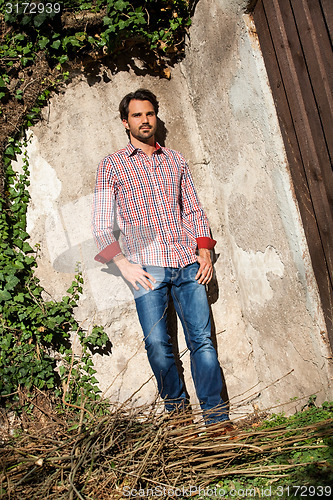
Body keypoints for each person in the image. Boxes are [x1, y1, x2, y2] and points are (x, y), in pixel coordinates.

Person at [92, 88, 230, 426]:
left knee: (203, 343)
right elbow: (99, 223)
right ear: (125, 122)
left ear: (156, 117)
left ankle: (217, 420)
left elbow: (194, 210)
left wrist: (204, 252)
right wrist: (123, 264)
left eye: (149, 114)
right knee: (157, 344)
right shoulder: (111, 165)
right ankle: (179, 420)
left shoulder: (176, 160)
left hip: (187, 264)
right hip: (147, 269)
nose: (144, 120)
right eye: (137, 115)